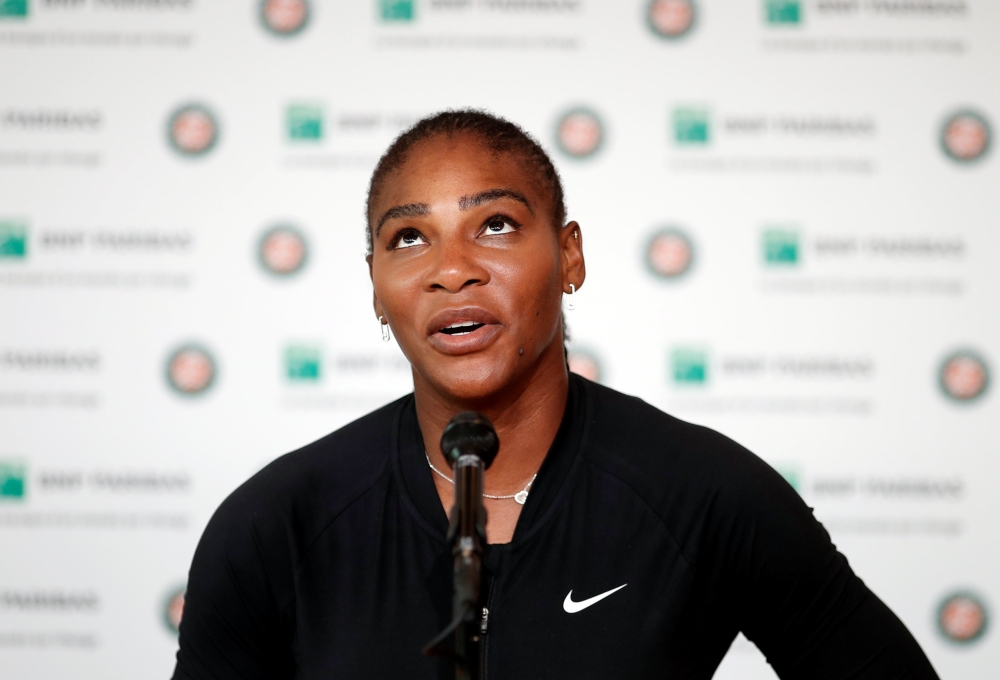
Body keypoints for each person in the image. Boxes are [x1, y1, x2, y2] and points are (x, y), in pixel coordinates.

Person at [172, 110, 939, 679]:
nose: (452, 269)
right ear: (375, 286)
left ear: (569, 255)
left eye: (496, 224)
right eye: (409, 238)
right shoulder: (278, 523)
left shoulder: (702, 494)